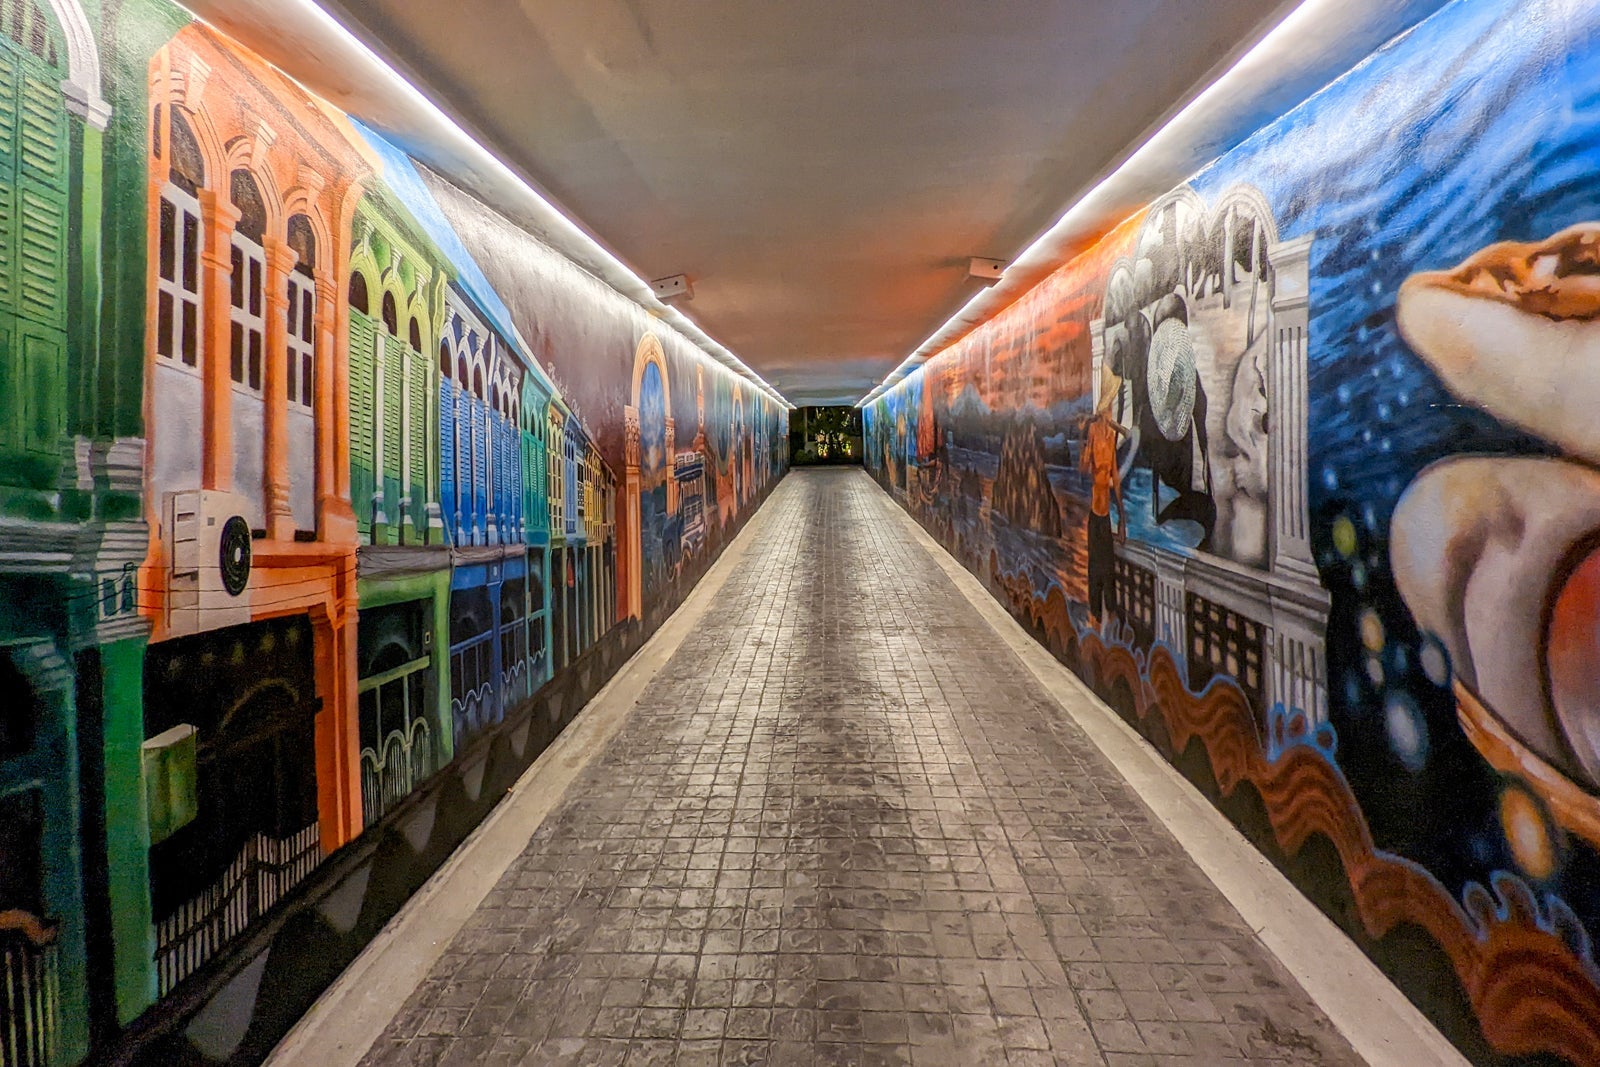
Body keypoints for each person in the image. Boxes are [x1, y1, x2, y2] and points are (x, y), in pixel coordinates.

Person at [1080, 393, 1128, 631]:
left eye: (1111, 411)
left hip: (1106, 511)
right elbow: (1082, 469)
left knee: (1106, 566)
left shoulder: (1110, 439)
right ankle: (1095, 612)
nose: (1110, 414)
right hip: (1094, 511)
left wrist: (1122, 520)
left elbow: (1116, 479)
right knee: (1094, 566)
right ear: (1102, 412)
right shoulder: (1093, 435)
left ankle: (1109, 612)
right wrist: (1087, 445)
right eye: (1108, 410)